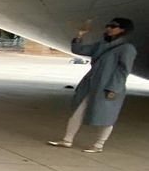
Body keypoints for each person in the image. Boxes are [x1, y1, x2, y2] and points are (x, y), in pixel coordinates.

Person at [48, 17, 137, 152]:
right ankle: (67, 139)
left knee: (107, 116)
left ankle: (99, 144)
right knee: (78, 112)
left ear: (122, 30)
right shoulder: (102, 44)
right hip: (91, 84)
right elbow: (80, 50)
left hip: (108, 87)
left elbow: (123, 71)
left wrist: (113, 88)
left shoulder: (127, 48)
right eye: (108, 25)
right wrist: (80, 35)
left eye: (113, 26)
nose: (109, 28)